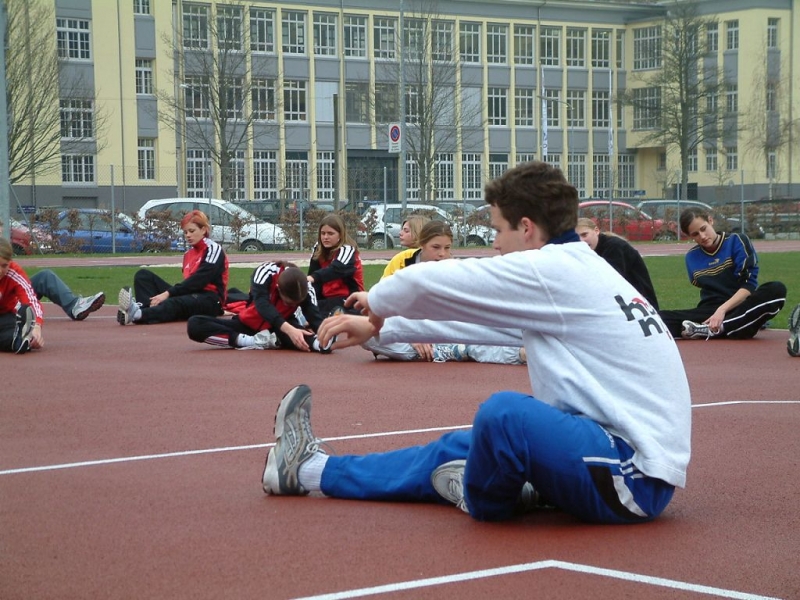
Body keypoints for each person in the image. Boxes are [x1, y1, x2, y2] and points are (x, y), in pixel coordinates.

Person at [262, 161, 691, 527]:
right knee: (464, 445)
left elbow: (440, 280)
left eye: (498, 230)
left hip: (633, 475)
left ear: (527, 228)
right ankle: (310, 470)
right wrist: (381, 330)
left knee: (504, 417)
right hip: (607, 453)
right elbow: (482, 324)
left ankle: (486, 496)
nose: (495, 244)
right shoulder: (576, 272)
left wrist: (378, 303)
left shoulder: (555, 269)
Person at [365, 220, 525, 365]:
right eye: (436, 247)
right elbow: (383, 307)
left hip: (454, 329)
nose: (442, 254)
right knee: (368, 336)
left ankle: (515, 353)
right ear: (422, 244)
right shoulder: (402, 263)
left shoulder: (456, 269)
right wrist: (411, 336)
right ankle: (456, 350)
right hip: (415, 328)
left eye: (447, 248)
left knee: (490, 334)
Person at [658, 209, 786, 340]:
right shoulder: (691, 257)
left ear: (710, 220)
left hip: (740, 306)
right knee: (658, 318)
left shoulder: (737, 241)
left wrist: (722, 310)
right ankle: (726, 326)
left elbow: (749, 285)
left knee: (776, 290)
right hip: (709, 311)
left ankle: (713, 328)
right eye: (695, 234)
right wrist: (716, 312)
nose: (702, 236)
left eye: (703, 229)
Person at [186, 261, 333, 353]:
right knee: (195, 325)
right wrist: (288, 329)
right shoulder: (265, 272)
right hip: (248, 324)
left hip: (280, 331)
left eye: (297, 304)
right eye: (288, 303)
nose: (293, 306)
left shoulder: (307, 288)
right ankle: (252, 341)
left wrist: (325, 334)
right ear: (278, 289)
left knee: (304, 337)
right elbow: (262, 305)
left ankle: (317, 344)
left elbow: (314, 317)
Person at [117, 210, 229, 325]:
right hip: (190, 294)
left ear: (204, 230)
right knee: (143, 275)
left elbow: (199, 280)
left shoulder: (213, 249)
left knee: (175, 302)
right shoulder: (188, 254)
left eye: (191, 231)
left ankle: (138, 314)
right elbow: (188, 286)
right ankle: (143, 308)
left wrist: (168, 293)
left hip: (210, 300)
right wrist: (170, 293)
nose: (188, 235)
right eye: (185, 232)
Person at [0, 219, 104, 320]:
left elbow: (17, 278)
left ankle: (74, 306)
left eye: (1, 232)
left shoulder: (7, 260)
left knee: (45, 277)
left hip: (10, 297)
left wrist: (37, 323)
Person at [575, 217, 659, 310]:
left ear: (596, 231)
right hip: (623, 302)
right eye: (577, 237)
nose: (581, 241)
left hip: (641, 304)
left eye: (584, 235)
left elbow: (609, 281)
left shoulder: (614, 247)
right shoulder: (589, 249)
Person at [307, 214, 364, 316]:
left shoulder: (347, 249)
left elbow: (336, 270)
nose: (325, 237)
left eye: (330, 233)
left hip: (350, 300)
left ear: (340, 235)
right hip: (327, 299)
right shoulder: (318, 248)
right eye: (323, 233)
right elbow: (314, 280)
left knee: (329, 311)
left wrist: (313, 277)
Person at [0, 238, 44, 354]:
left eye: (4, 266)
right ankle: (18, 341)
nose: (0, 271)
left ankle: (22, 339)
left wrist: (36, 326)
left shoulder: (14, 272)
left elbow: (31, 299)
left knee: (16, 325)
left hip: (5, 316)